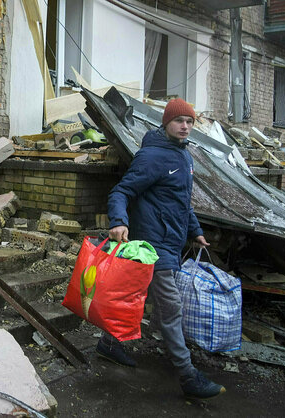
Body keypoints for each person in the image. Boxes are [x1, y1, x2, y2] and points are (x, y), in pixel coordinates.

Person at [101, 98, 225, 400]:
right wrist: (118, 221)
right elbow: (122, 190)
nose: (185, 126)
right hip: (154, 246)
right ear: (166, 123)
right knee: (170, 309)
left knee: (139, 298)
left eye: (190, 122)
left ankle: (108, 343)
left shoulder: (184, 156)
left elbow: (181, 201)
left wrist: (195, 231)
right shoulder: (153, 156)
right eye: (179, 121)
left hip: (171, 241)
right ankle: (188, 375)